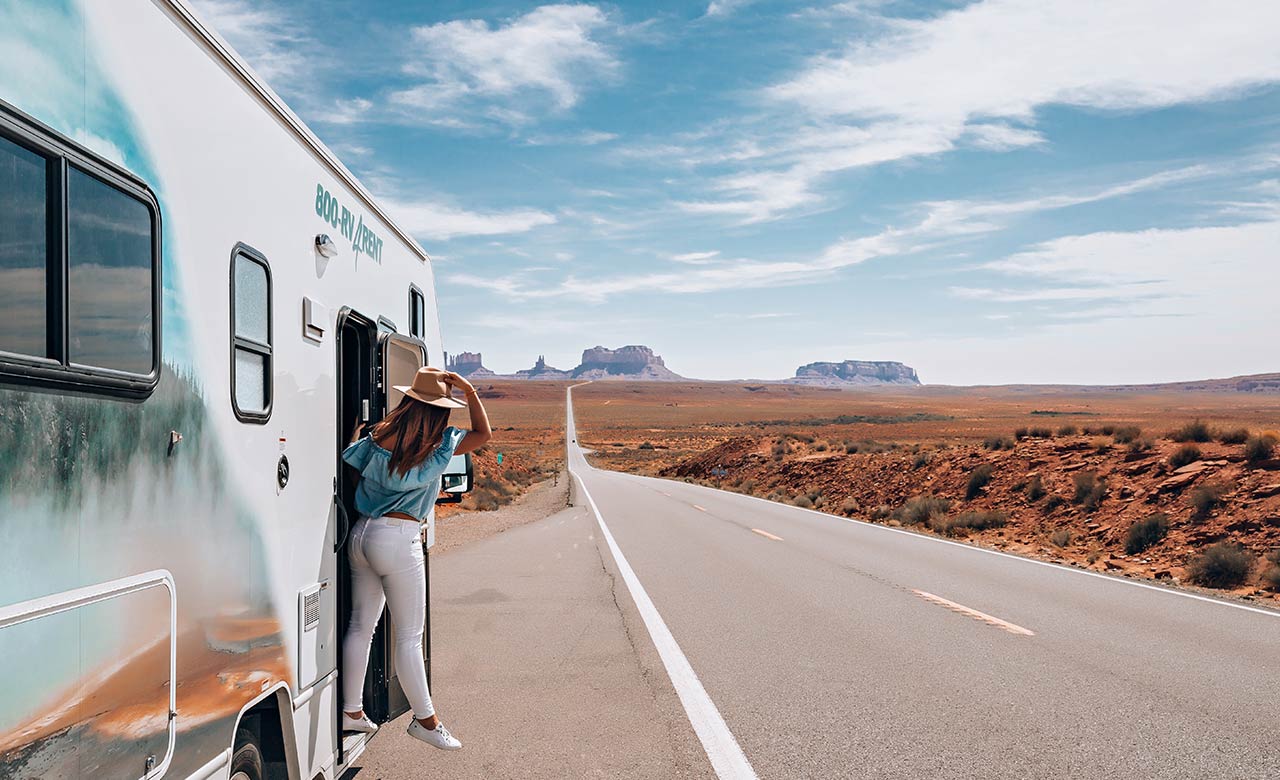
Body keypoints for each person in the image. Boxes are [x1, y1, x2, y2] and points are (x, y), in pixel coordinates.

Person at [339, 366, 491, 750]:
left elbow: (353, 472)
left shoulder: (375, 439)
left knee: (361, 626)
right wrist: (471, 392)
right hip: (397, 538)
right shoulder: (440, 446)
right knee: (408, 637)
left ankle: (352, 712)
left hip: (361, 534)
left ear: (408, 400)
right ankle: (427, 721)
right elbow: (483, 434)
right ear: (440, 410)